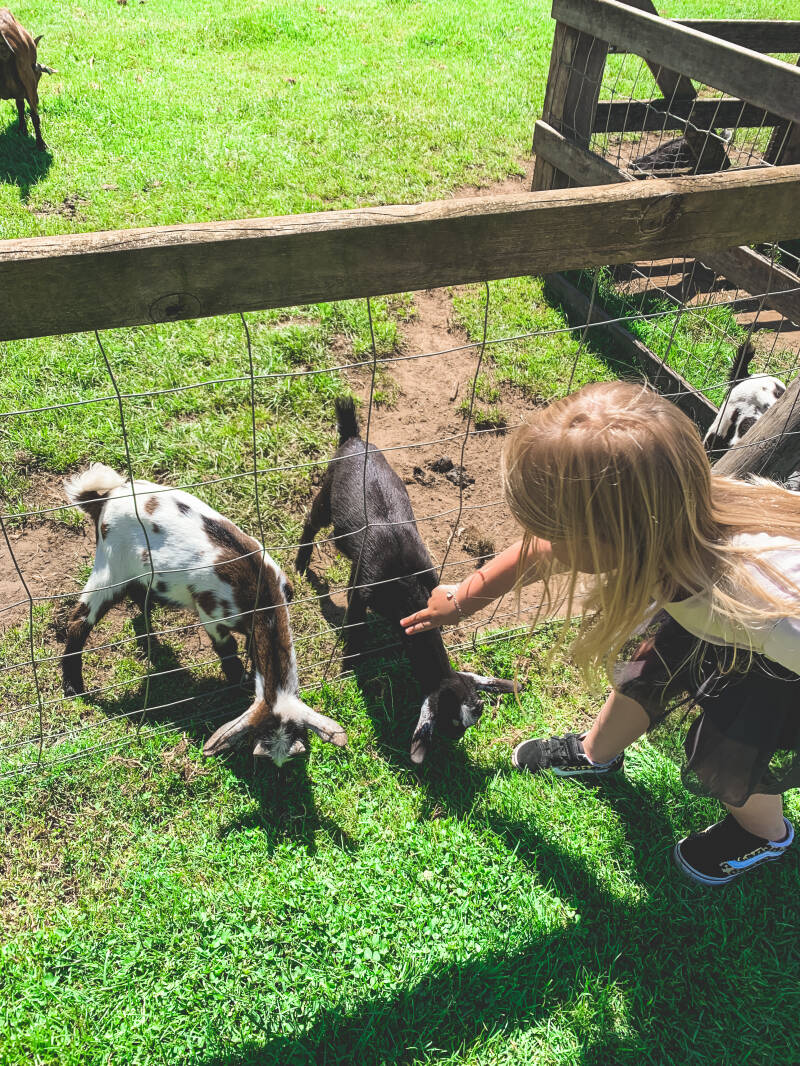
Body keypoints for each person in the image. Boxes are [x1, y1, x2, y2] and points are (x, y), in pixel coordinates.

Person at [401, 381, 800, 886]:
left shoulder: (765, 602)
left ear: (611, 539)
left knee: (735, 753)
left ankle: (764, 833)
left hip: (775, 673)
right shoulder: (669, 519)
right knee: (645, 673)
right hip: (712, 618)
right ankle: (596, 754)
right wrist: (461, 599)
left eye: (559, 532)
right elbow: (541, 554)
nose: (545, 542)